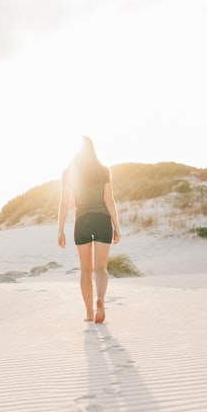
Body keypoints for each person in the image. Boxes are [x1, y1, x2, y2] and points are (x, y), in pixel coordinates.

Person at [58, 136, 121, 324]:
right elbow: (109, 200)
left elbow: (64, 203)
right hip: (102, 221)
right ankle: (100, 299)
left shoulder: (68, 172)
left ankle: (89, 313)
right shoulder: (103, 170)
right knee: (101, 268)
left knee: (85, 270)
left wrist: (60, 230)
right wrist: (117, 226)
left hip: (82, 221)